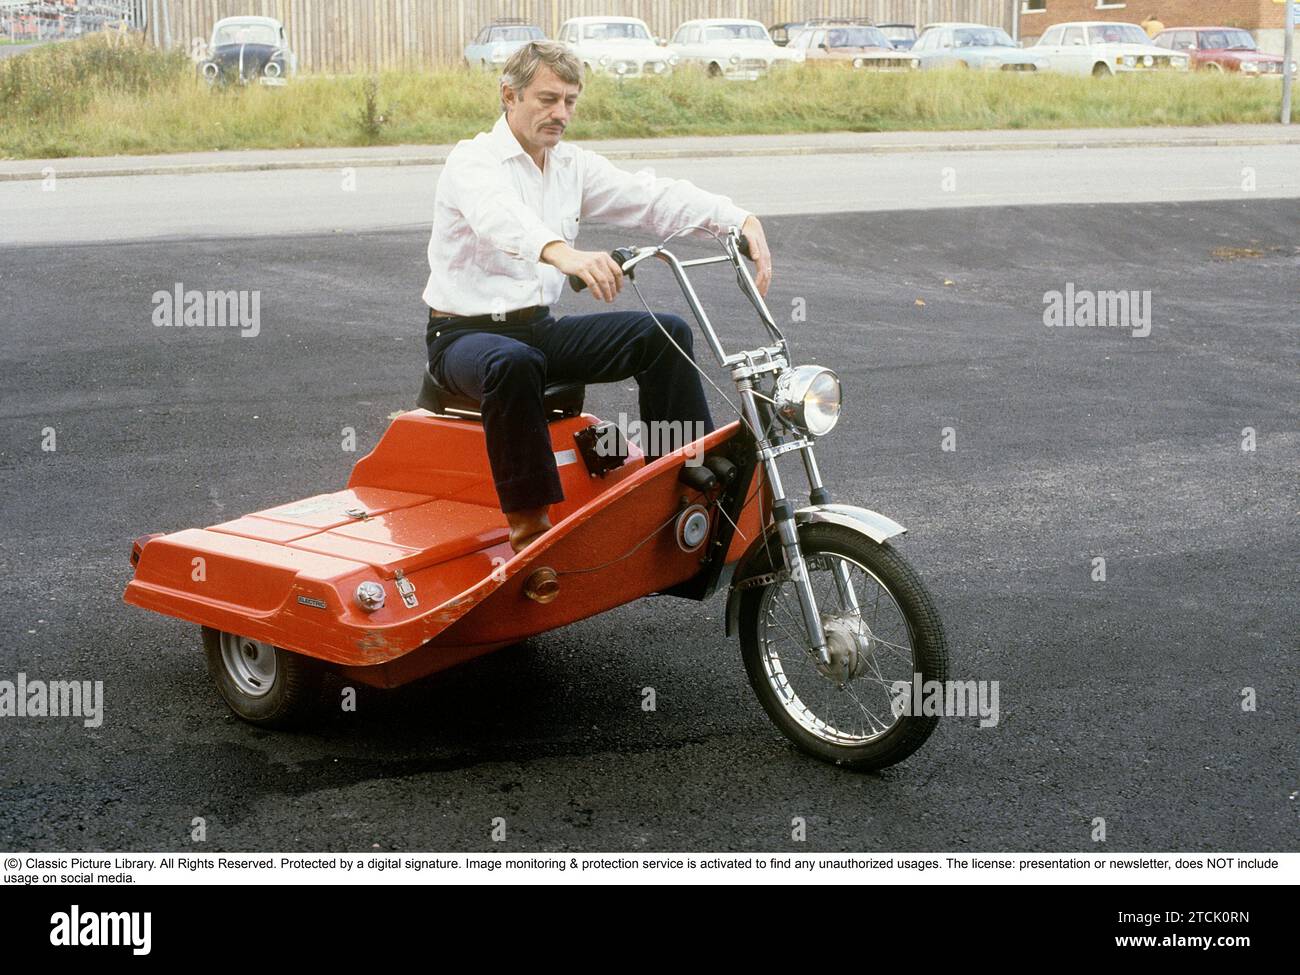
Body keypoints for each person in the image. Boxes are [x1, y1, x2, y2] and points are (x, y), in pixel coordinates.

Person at [422, 40, 772, 553]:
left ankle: (684, 476)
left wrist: (735, 218)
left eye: (570, 101)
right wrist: (561, 252)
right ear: (508, 95)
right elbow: (498, 217)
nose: (560, 113)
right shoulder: (473, 161)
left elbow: (650, 197)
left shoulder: (569, 166)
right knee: (512, 362)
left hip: (537, 328)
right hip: (462, 337)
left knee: (663, 333)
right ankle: (531, 528)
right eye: (547, 99)